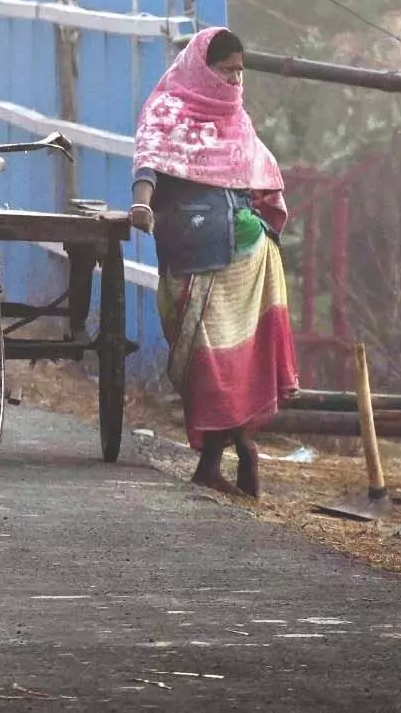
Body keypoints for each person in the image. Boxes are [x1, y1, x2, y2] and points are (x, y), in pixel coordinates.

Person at [129, 27, 297, 499]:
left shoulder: (236, 116)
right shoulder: (168, 109)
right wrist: (142, 204)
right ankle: (236, 450)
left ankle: (223, 458)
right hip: (193, 251)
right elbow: (148, 161)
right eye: (226, 70)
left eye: (241, 71)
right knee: (208, 362)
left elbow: (259, 172)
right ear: (203, 69)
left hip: (250, 257)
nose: (234, 80)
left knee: (239, 360)